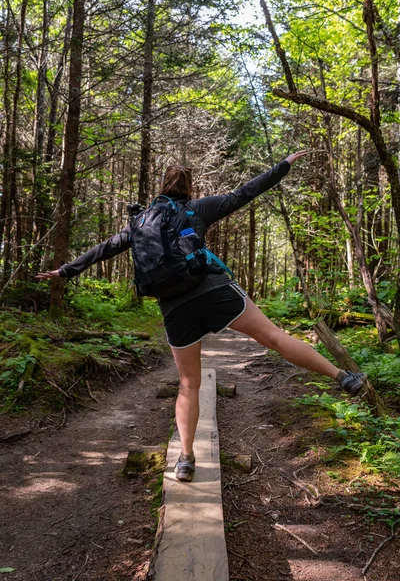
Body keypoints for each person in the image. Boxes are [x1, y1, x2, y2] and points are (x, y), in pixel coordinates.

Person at [36, 151, 367, 482]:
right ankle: (343, 377)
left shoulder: (141, 221)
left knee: (188, 384)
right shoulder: (198, 208)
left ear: (160, 187)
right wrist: (283, 166)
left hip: (175, 307)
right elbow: (246, 192)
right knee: (274, 337)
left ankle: (186, 458)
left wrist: (65, 270)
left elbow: (105, 249)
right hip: (213, 290)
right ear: (188, 188)